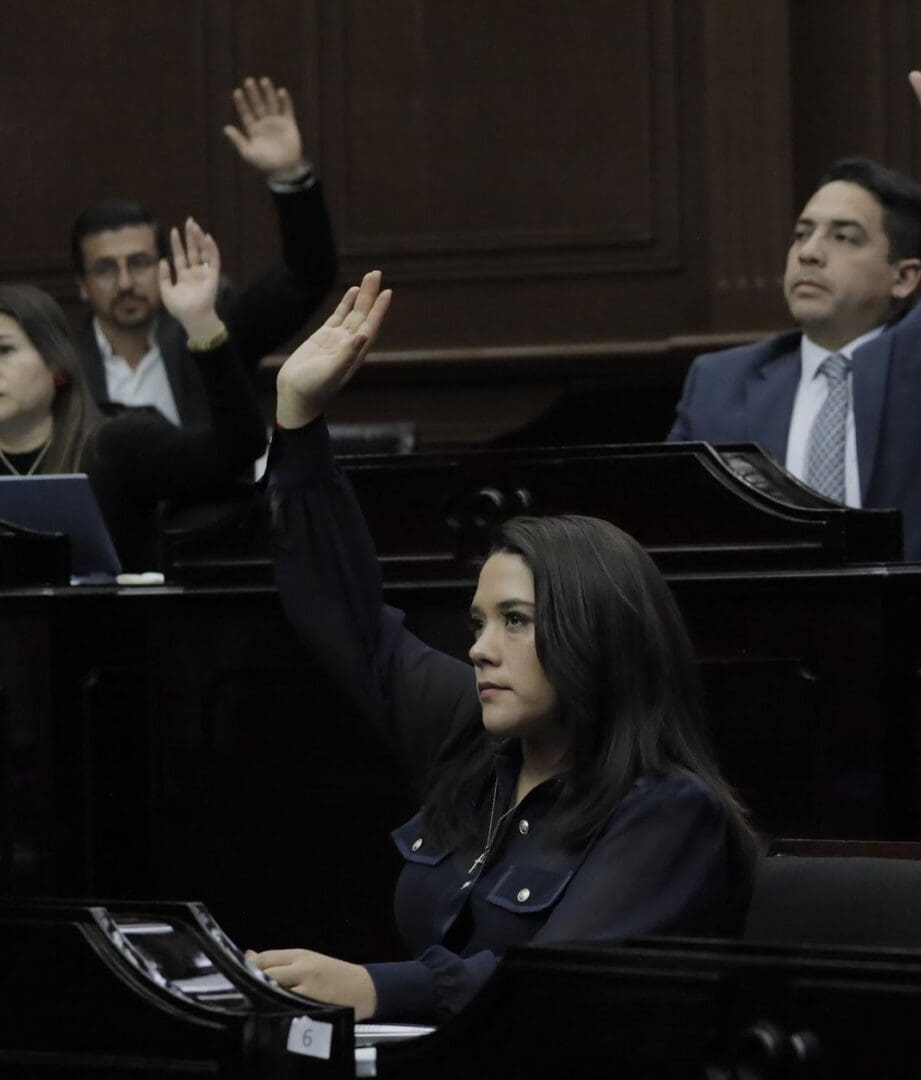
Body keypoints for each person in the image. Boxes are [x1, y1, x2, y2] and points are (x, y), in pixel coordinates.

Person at [252, 272, 756, 1022]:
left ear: (596, 634)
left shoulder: (669, 812)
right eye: (479, 623)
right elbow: (348, 623)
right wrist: (297, 419)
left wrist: (376, 990)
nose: (481, 650)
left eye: (515, 621)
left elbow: (560, 983)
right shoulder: (475, 737)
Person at [668, 18, 921, 564]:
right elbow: (674, 533)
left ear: (904, 276)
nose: (809, 252)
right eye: (802, 234)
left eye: (844, 236)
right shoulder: (719, 385)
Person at [71, 77, 337, 429]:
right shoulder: (63, 363)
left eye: (139, 263)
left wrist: (289, 175)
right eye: (105, 269)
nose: (125, 283)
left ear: (164, 267)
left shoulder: (211, 332)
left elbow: (307, 275)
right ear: (82, 284)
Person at [0, 221, 267, 568]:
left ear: (56, 365)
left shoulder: (116, 444)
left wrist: (202, 324)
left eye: (4, 351)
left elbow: (238, 448)